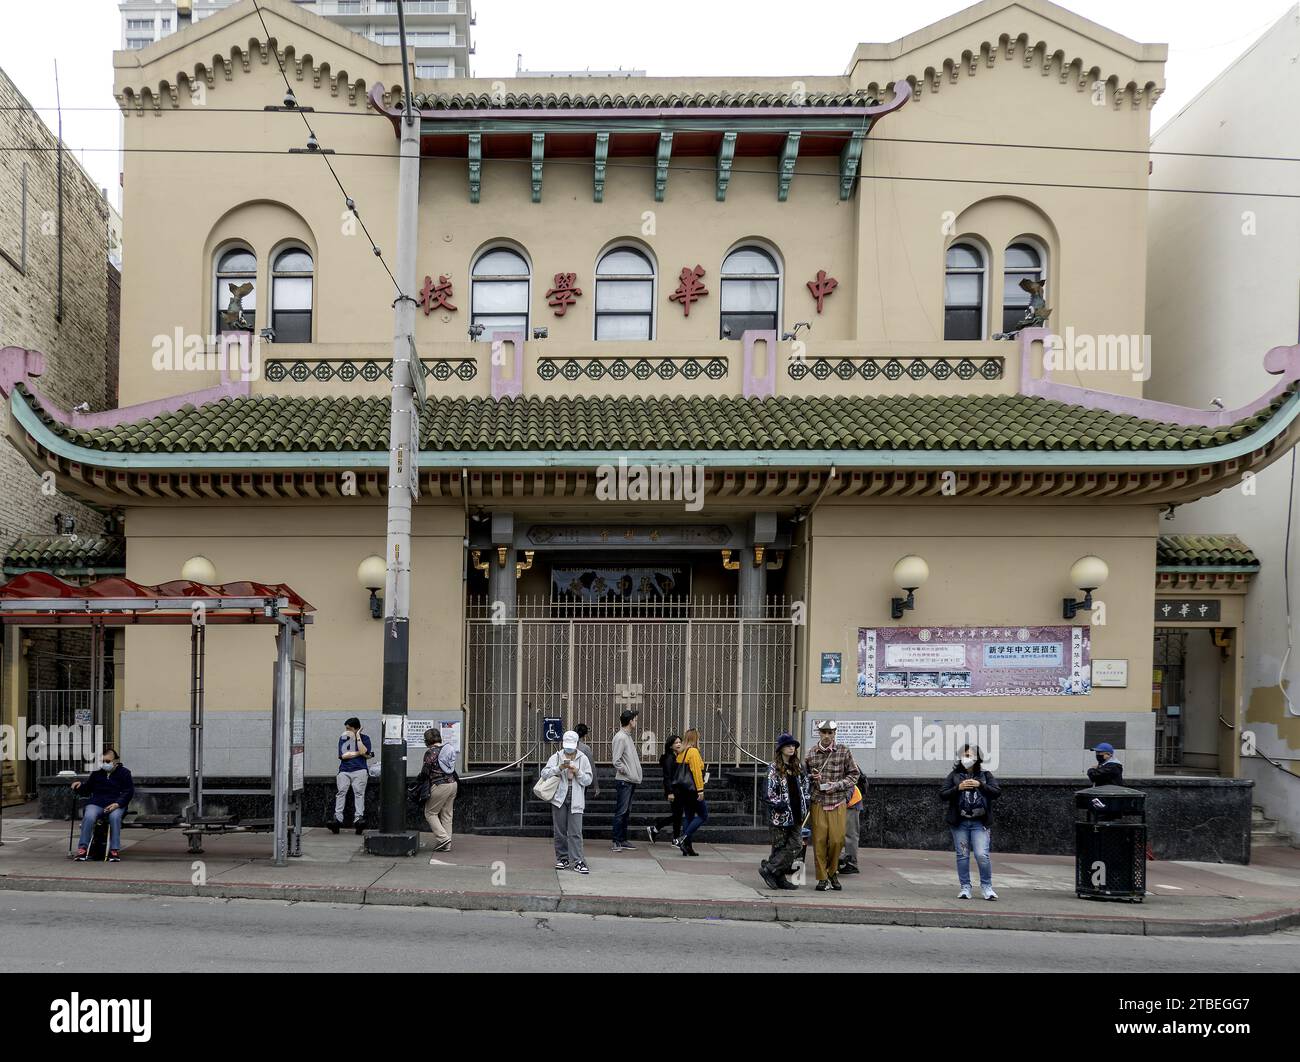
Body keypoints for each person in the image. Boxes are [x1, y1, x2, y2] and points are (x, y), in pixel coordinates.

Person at [940, 743, 1002, 900]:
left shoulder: (985, 775)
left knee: (982, 855)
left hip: (979, 823)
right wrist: (958, 788)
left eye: (971, 756)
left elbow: (996, 792)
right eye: (965, 755)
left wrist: (980, 785)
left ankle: (987, 887)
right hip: (960, 822)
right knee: (962, 855)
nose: (967, 759)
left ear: (977, 758)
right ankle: (965, 887)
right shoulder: (954, 775)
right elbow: (942, 794)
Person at [804, 720, 861, 891]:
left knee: (837, 840)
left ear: (835, 734)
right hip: (818, 802)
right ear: (819, 733)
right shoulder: (811, 753)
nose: (827, 736)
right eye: (824, 732)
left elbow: (854, 774)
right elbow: (804, 777)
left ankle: (832, 872)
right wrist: (812, 778)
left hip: (838, 802)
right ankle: (822, 878)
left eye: (830, 733)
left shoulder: (843, 751)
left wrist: (837, 785)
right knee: (820, 841)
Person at [760, 732, 809, 890]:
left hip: (797, 813)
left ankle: (769, 868)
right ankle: (778, 877)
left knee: (796, 845)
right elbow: (767, 792)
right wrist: (777, 803)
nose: (792, 748)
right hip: (780, 815)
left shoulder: (797, 767)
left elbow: (805, 783)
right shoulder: (773, 768)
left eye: (793, 745)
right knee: (779, 846)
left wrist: (806, 799)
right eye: (788, 745)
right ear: (781, 748)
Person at [541, 730, 593, 874]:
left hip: (576, 797)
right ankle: (562, 858)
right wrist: (559, 768)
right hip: (559, 797)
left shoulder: (583, 758)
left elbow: (588, 780)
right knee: (560, 831)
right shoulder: (557, 756)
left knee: (575, 831)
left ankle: (578, 861)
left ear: (576, 744)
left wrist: (577, 771)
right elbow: (544, 773)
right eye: (567, 745)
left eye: (572, 745)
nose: (569, 749)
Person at [71, 747, 134, 862]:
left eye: (108, 761)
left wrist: (118, 803)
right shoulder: (97, 774)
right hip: (97, 803)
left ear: (115, 761)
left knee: (114, 817)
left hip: (116, 805)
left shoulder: (124, 773)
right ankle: (82, 849)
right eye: (102, 761)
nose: (105, 764)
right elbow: (87, 789)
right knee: (89, 816)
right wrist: (79, 786)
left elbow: (128, 791)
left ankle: (114, 850)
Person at [417, 727, 459, 857]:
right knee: (447, 814)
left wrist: (417, 782)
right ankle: (447, 844)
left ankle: (443, 839)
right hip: (453, 784)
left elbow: (425, 772)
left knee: (430, 813)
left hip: (439, 785)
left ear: (427, 740)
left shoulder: (431, 752)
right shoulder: (448, 749)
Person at [332, 717, 373, 835]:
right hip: (344, 770)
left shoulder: (365, 738)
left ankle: (358, 818)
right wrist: (360, 753)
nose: (346, 730)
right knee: (341, 792)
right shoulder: (343, 738)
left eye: (349, 729)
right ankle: (338, 818)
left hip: (360, 770)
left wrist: (358, 736)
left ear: (356, 729)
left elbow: (365, 751)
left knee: (359, 793)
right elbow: (343, 756)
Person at [610, 708, 643, 852]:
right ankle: (617, 840)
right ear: (630, 721)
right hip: (625, 780)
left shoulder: (627, 736)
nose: (636, 722)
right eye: (635, 720)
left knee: (626, 812)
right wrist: (627, 771)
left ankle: (622, 839)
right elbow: (616, 760)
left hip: (629, 780)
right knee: (621, 811)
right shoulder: (621, 737)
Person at [674, 727, 707, 856]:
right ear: (695, 738)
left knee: (689, 816)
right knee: (703, 815)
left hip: (683, 790)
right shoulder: (693, 752)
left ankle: (687, 847)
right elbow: (696, 773)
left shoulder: (681, 752)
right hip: (693, 790)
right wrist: (700, 790)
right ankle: (683, 838)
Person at [646, 734, 683, 845]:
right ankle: (660, 831)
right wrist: (670, 792)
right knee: (677, 815)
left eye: (680, 742)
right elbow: (667, 777)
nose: (679, 744)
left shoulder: (678, 756)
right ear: (671, 745)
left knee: (678, 815)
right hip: (673, 790)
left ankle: (658, 831)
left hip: (679, 789)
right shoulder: (669, 758)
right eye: (676, 743)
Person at [838, 778, 864, 876]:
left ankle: (852, 864)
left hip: (851, 802)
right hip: (841, 801)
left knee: (850, 834)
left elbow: (851, 783)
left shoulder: (845, 764)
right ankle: (841, 859)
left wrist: (844, 800)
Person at [575, 723, 600, 799]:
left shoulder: (567, 747)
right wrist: (596, 786)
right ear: (585, 735)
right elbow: (592, 767)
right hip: (581, 779)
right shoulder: (585, 749)